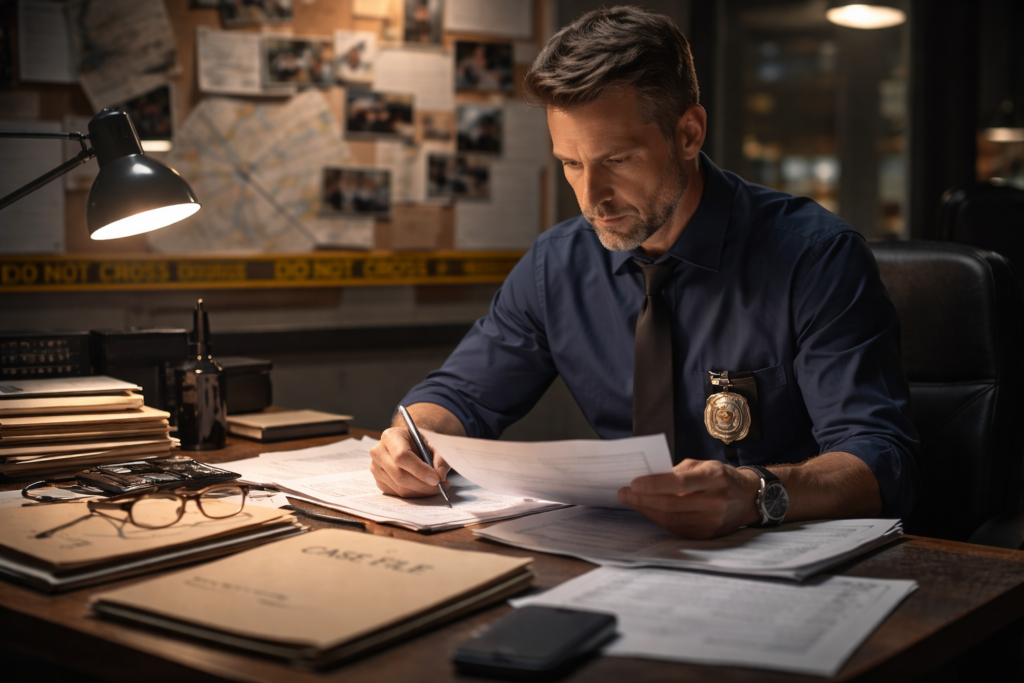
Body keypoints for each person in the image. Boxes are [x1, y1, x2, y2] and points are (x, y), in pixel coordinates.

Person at [369, 6, 920, 539]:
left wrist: (755, 493)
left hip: (781, 555)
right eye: (571, 164)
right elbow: (461, 396)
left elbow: (878, 458)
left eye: (617, 160)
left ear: (688, 134)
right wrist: (411, 436)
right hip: (623, 551)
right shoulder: (555, 265)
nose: (591, 197)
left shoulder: (815, 257)